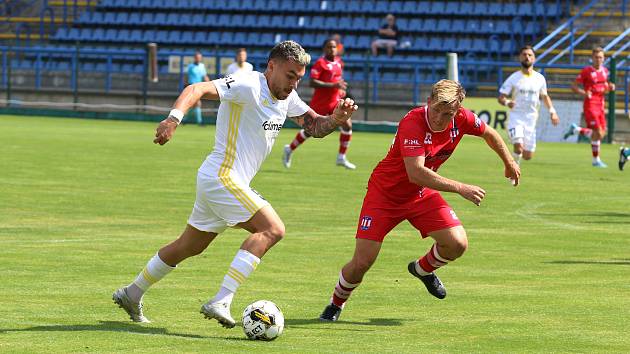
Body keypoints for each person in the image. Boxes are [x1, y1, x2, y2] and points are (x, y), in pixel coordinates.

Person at [112, 41, 358, 328]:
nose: (294, 84)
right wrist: (173, 119)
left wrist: (336, 119)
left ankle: (132, 293)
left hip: (221, 179)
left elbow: (314, 126)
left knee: (189, 246)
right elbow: (196, 89)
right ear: (271, 66)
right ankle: (221, 299)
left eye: (299, 78)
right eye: (290, 75)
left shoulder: (287, 97)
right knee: (272, 229)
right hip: (222, 175)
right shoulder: (248, 84)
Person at [319, 79, 520, 321]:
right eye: (436, 110)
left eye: (447, 114)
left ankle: (422, 270)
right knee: (362, 262)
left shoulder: (462, 118)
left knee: (457, 244)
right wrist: (460, 187)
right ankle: (336, 303)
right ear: (428, 102)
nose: (439, 118)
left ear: (457, 111)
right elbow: (416, 173)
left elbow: (489, 133)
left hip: (421, 193)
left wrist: (509, 161)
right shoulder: (413, 122)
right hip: (385, 195)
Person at [283, 38, 355, 169]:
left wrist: (340, 90)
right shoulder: (320, 63)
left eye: (334, 47)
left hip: (334, 101)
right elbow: (312, 82)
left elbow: (338, 80)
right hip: (320, 103)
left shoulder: (339, 62)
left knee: (347, 125)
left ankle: (341, 157)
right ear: (324, 49)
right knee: (310, 131)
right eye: (329, 47)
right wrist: (334, 85)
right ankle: (290, 148)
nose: (332, 49)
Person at [498, 45, 560, 164]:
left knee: (527, 155)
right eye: (524, 55)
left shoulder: (540, 78)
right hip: (516, 117)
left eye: (530, 55)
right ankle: (512, 170)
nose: (527, 57)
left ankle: (515, 162)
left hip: (531, 119)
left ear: (534, 58)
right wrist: (507, 102)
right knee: (518, 146)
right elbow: (501, 97)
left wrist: (553, 112)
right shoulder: (513, 78)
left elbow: (545, 96)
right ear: (520, 58)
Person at [564, 47, 616, 168]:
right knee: (597, 132)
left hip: (601, 105)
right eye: (596, 57)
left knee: (601, 134)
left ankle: (576, 130)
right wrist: (584, 93)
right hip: (591, 104)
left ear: (604, 59)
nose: (598, 59)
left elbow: (604, 85)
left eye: (600, 57)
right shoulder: (586, 71)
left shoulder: (605, 71)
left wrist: (610, 87)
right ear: (592, 58)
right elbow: (574, 86)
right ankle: (595, 160)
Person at [185, 51, 210, 125]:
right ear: (194, 58)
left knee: (194, 105)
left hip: (199, 87)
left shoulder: (202, 66)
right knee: (197, 103)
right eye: (197, 57)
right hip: (192, 86)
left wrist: (209, 84)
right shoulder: (190, 66)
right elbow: (186, 76)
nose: (198, 59)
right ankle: (200, 122)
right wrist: (185, 85)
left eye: (199, 57)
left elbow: (204, 76)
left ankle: (185, 120)